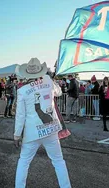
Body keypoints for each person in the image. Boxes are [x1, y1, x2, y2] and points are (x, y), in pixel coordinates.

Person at [14, 58, 71, 188]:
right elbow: (59, 92)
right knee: (58, 161)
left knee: (24, 161)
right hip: (51, 129)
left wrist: (17, 135)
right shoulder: (48, 82)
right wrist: (50, 79)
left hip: (32, 132)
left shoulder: (22, 91)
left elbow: (20, 115)